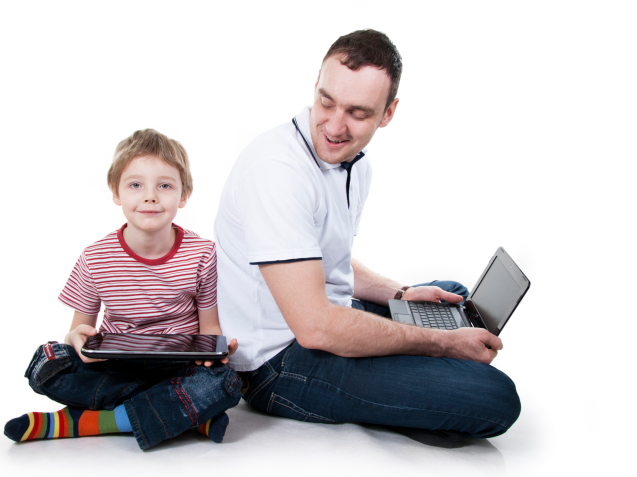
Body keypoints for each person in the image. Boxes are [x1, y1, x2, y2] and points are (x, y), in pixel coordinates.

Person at [214, 29, 520, 438]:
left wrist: (400, 294)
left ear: (388, 113)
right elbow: (316, 327)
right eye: (326, 102)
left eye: (358, 113)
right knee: (495, 398)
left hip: (320, 317)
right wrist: (441, 345)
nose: (335, 126)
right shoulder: (277, 171)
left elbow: (324, 256)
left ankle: (424, 370)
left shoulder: (354, 164)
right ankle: (430, 378)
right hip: (278, 363)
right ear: (316, 86)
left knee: (452, 295)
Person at [4, 129, 241, 451]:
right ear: (116, 192)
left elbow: (208, 327)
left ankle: (90, 421)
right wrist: (76, 340)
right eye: (135, 185)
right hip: (115, 367)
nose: (150, 196)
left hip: (176, 367)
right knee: (46, 361)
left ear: (184, 196)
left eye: (165, 185)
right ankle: (180, 413)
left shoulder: (202, 254)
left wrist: (217, 351)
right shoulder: (95, 257)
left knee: (227, 383)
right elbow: (78, 332)